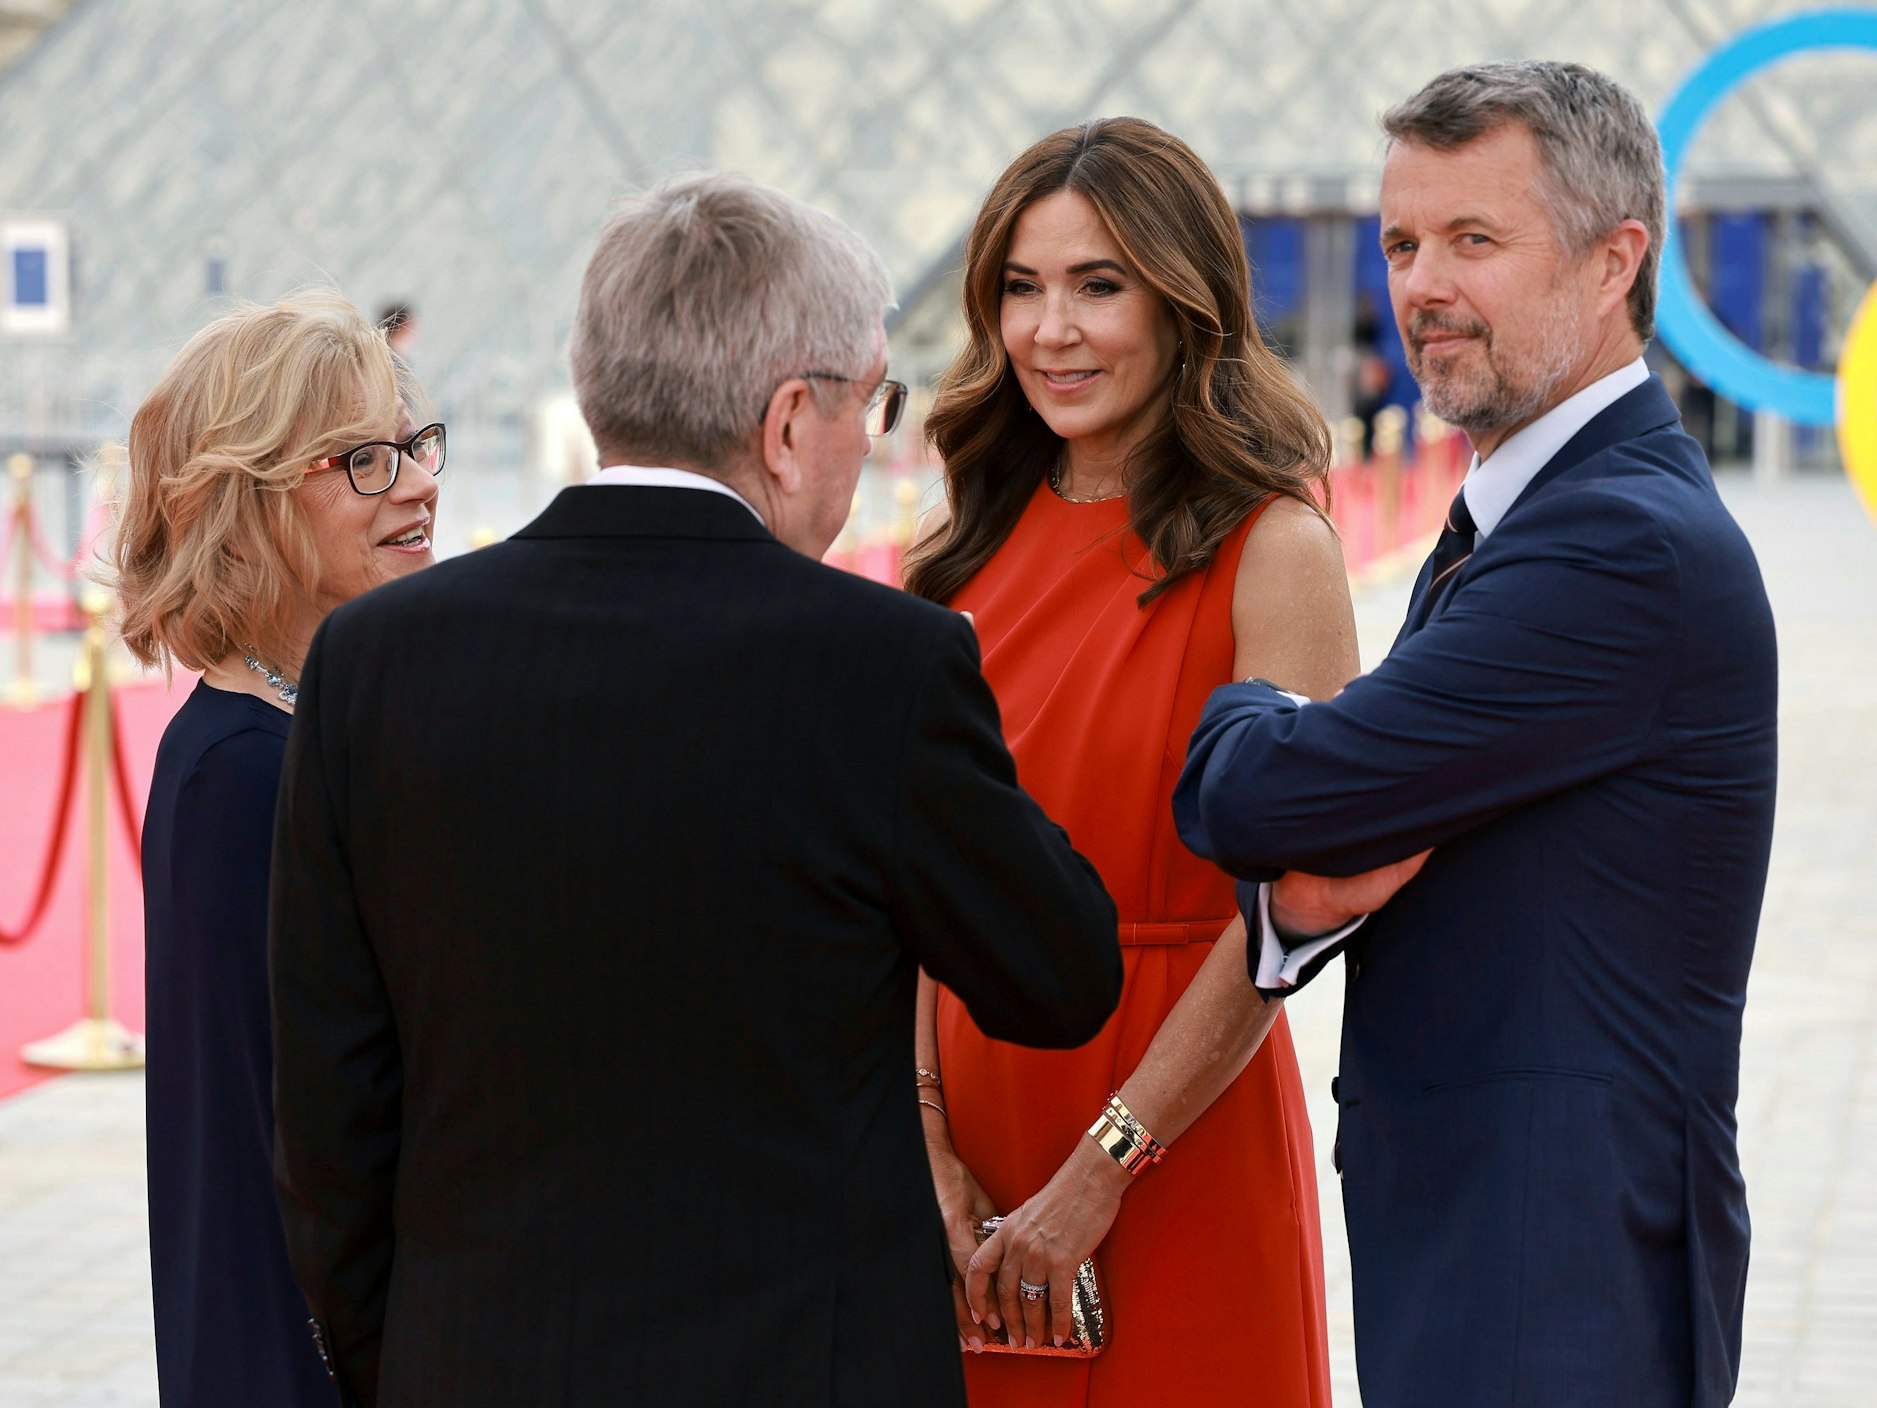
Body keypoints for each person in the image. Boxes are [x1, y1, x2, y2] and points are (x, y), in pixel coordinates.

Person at [267, 172, 1123, 1408]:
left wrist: (401, 1362)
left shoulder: (373, 657)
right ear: (788, 422)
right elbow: (1060, 976)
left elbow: (327, 1115)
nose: (868, 439)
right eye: (869, 402)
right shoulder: (881, 665)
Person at [1175, 61, 1777, 1408]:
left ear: (1614, 260)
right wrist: (1309, 874)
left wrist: (1247, 710)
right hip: (1508, 1255)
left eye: (1472, 240)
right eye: (1401, 243)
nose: (1421, 286)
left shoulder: (1615, 546)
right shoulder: (1535, 516)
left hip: (1552, 1285)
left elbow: (1265, 799)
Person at [902, 117, 1354, 1407]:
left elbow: (1296, 900)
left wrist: (1107, 1163)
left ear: (1181, 301)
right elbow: (901, 885)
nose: (1049, 331)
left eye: (1096, 286)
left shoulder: (1276, 551)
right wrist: (921, 1139)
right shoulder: (955, 551)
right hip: (964, 1145)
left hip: (1183, 1129)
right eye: (1020, 288)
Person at [115, 290, 443, 1408]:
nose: (416, 483)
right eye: (363, 462)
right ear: (249, 502)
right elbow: (278, 1142)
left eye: (414, 444)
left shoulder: (303, 730)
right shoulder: (242, 775)